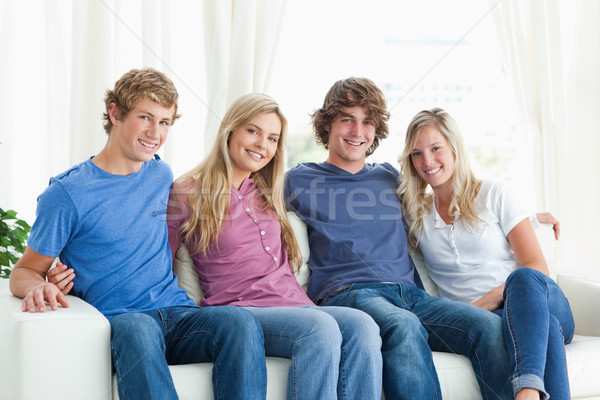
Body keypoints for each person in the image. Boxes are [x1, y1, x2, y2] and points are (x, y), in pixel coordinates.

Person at [10, 68, 267, 400]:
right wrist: (39, 284)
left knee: (239, 323)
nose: (155, 132)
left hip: (178, 316)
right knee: (139, 327)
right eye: (145, 117)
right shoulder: (67, 193)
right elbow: (25, 270)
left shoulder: (161, 173)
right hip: (124, 322)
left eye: (165, 122)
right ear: (115, 113)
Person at [284, 77, 513, 399]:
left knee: (486, 327)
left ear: (376, 131)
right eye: (346, 119)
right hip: (349, 295)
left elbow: (441, 201)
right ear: (327, 125)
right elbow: (240, 198)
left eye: (367, 122)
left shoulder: (389, 177)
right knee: (403, 327)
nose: (357, 131)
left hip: (412, 296)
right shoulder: (298, 179)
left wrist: (527, 218)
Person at [166, 93, 383, 400]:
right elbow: (156, 256)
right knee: (319, 329)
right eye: (253, 131)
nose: (261, 145)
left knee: (362, 325)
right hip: (243, 310)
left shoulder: (269, 191)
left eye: (272, 138)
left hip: (297, 305)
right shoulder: (189, 191)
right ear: (230, 130)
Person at [397, 107, 575, 400]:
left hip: (536, 300)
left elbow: (537, 267)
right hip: (513, 322)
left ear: (455, 148)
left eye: (435, 148)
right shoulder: (417, 215)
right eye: (416, 153)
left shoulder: (493, 194)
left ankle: (527, 391)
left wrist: (487, 301)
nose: (427, 161)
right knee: (546, 330)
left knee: (524, 277)